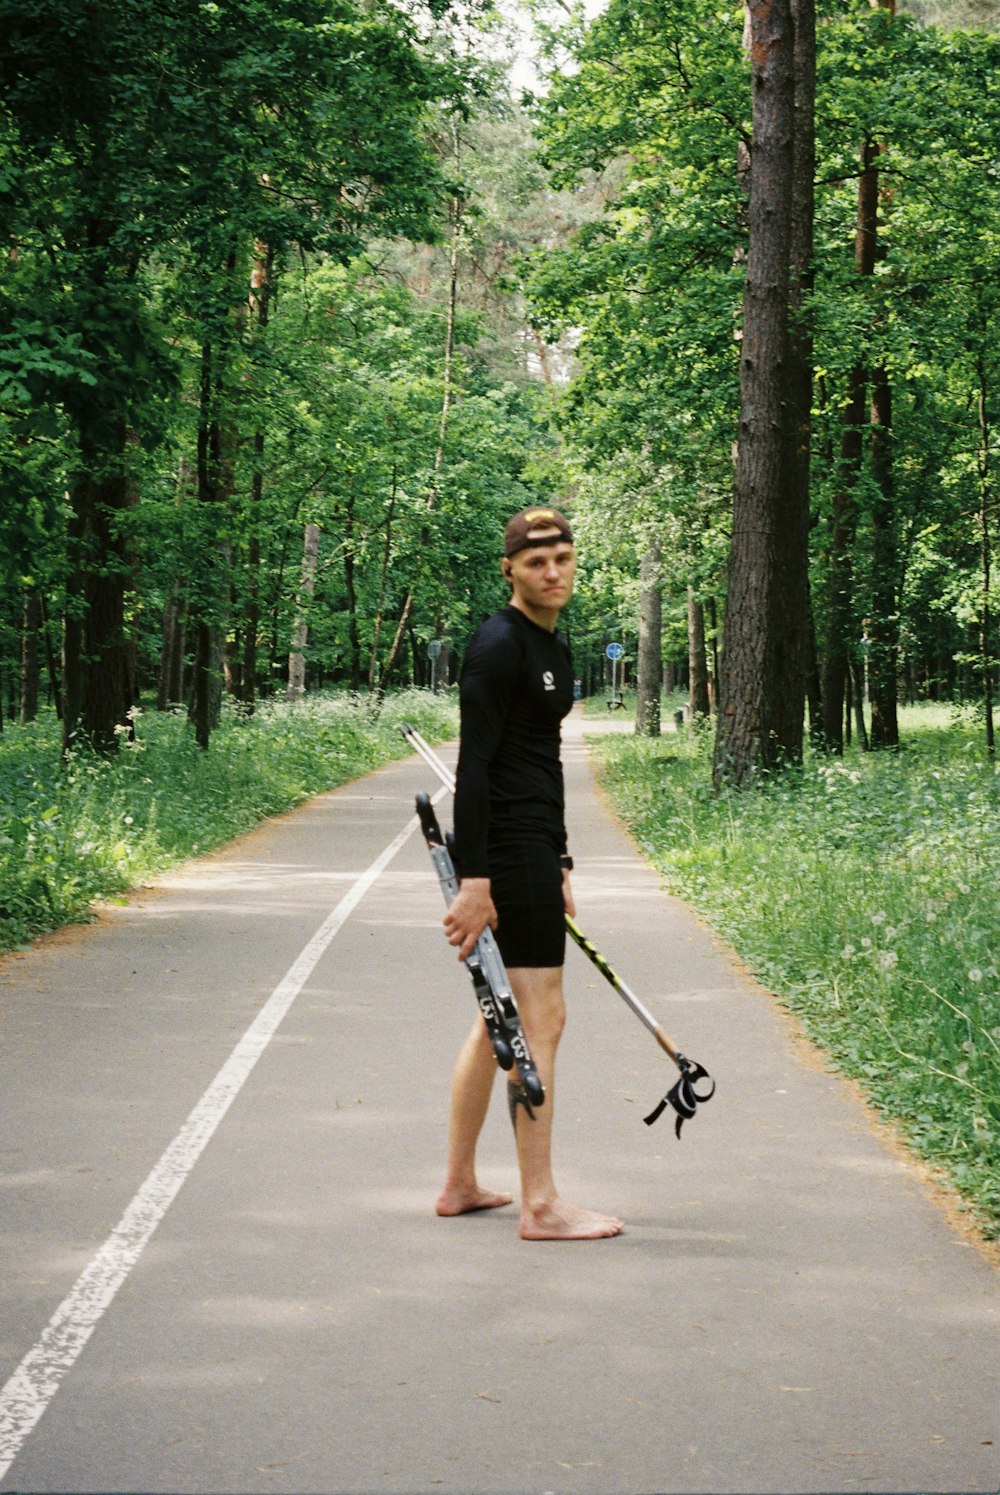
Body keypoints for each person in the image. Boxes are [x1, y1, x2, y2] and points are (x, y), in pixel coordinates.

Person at [434, 505, 624, 1241]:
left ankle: (458, 1184)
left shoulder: (555, 647)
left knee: (498, 1022)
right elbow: (473, 769)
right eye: (536, 561)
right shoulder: (499, 647)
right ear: (509, 567)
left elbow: (544, 765)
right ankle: (539, 1203)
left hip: (533, 848)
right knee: (540, 1019)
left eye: (563, 558)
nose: (552, 572)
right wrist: (474, 880)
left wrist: (564, 858)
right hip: (504, 849)